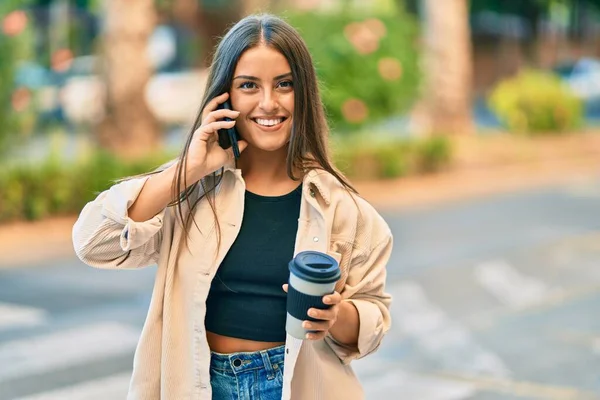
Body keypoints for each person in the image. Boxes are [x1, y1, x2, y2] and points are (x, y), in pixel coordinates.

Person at [72, 13, 392, 400]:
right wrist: (189, 169)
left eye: (284, 84)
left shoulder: (343, 210)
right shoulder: (188, 193)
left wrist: (337, 316)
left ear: (303, 92)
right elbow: (93, 242)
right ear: (225, 96)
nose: (268, 103)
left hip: (294, 386)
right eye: (249, 86)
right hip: (200, 385)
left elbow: (373, 317)